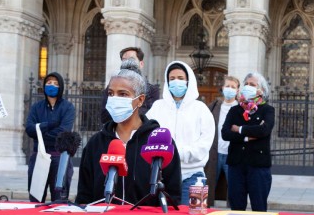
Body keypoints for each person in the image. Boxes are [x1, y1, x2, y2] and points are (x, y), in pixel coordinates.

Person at [77, 68, 181, 206]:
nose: (115, 99)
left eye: (123, 94)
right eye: (111, 93)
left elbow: (173, 196)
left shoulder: (160, 142)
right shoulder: (96, 143)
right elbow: (84, 195)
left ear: (140, 100)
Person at [146, 61, 214, 206]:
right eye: (172, 78)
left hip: (193, 175)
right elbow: (147, 135)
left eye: (181, 78)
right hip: (163, 175)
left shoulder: (200, 109)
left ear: (188, 81)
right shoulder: (157, 107)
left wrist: (177, 153)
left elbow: (205, 143)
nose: (176, 82)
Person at [221, 72, 275, 211]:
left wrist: (239, 129)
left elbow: (264, 131)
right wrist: (246, 136)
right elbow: (225, 133)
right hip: (236, 164)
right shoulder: (235, 110)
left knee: (259, 208)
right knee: (236, 207)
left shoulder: (267, 110)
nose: (248, 86)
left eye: (252, 84)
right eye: (246, 84)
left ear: (261, 90)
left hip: (258, 166)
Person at [25, 72, 75, 202]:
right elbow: (29, 129)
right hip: (39, 157)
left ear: (61, 86)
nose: (52, 85)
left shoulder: (68, 107)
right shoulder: (36, 107)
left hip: (60, 158)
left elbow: (63, 132)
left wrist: (39, 129)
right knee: (35, 198)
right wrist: (50, 125)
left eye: (56, 83)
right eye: (49, 82)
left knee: (59, 200)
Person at [99, 46, 161, 124]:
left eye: (131, 59)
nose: (127, 62)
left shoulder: (152, 90)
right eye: (124, 60)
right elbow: (104, 116)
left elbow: (150, 116)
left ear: (141, 64)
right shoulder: (111, 87)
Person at [204, 75, 240, 207]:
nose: (230, 89)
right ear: (223, 88)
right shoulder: (214, 106)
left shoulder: (240, 109)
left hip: (232, 154)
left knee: (234, 187)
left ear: (237, 90)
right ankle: (206, 209)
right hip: (215, 153)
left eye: (233, 87)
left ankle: (233, 211)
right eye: (227, 86)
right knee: (208, 184)